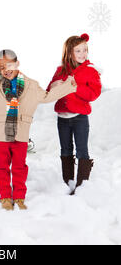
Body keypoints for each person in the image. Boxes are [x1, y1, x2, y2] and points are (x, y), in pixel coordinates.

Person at [0, 49, 77, 211]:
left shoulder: (31, 85)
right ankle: (4, 196)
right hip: (2, 136)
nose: (6, 70)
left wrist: (68, 86)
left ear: (17, 63)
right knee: (2, 167)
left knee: (19, 167)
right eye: (1, 67)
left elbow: (47, 96)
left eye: (9, 65)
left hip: (21, 135)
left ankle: (19, 196)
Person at [47, 33, 101, 194]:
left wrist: (76, 86)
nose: (83, 54)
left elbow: (94, 93)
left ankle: (82, 185)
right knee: (65, 150)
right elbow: (50, 90)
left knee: (81, 150)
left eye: (85, 50)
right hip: (62, 118)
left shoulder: (90, 71)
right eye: (78, 51)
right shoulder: (60, 70)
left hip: (79, 118)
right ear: (69, 52)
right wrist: (57, 85)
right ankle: (68, 182)